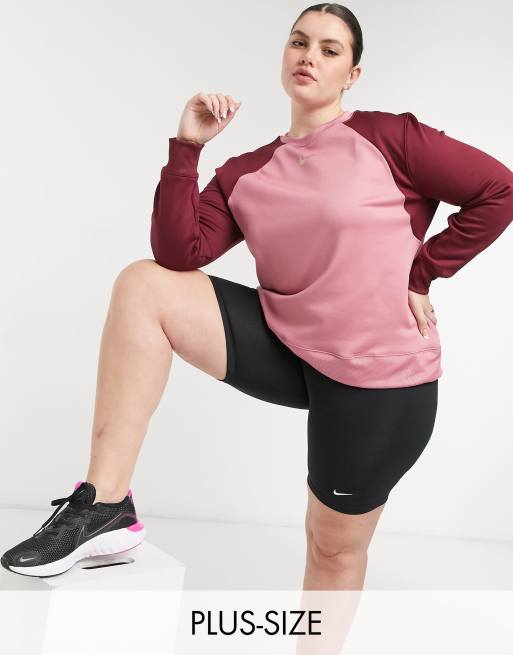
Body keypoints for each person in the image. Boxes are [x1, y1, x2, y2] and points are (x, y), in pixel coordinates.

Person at [2, 3, 512, 590]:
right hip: (287, 350)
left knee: (330, 550)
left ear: (352, 74)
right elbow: (178, 254)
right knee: (142, 284)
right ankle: (105, 505)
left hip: (378, 379)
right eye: (299, 42)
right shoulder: (248, 170)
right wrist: (187, 147)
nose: (309, 57)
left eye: (329, 49)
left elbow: (499, 190)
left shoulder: (390, 137)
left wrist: (423, 272)